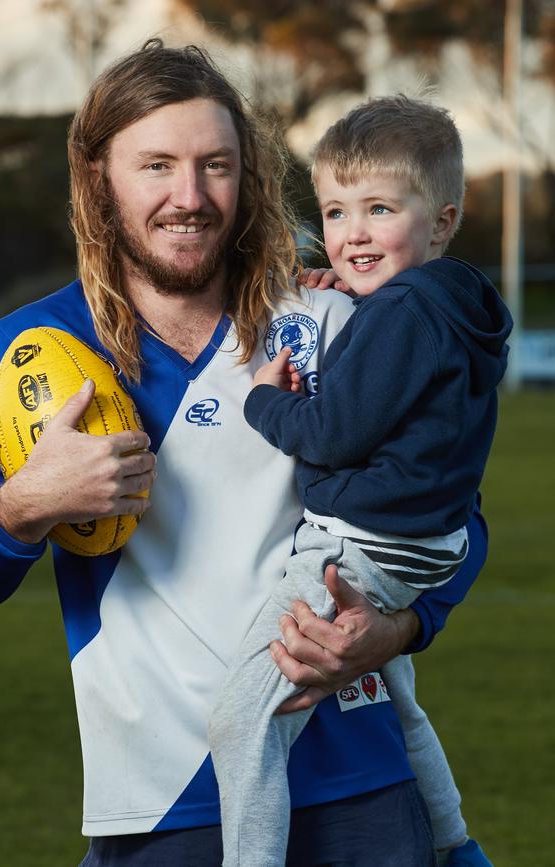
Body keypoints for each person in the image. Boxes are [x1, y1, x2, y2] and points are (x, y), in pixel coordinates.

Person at [0, 44, 488, 867]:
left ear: (245, 174)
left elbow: (454, 512)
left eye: (214, 165)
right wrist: (27, 503)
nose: (189, 198)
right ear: (98, 178)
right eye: (156, 165)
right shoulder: (33, 352)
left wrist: (400, 626)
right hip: (163, 801)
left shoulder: (329, 313)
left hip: (359, 790)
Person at [209, 95, 510, 867]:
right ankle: (456, 846)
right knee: (398, 700)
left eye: (380, 209)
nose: (353, 234)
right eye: (337, 212)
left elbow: (331, 433)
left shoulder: (404, 313)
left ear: (441, 221)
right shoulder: (454, 301)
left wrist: (265, 401)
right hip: (423, 544)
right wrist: (358, 295)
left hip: (361, 546)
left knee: (242, 722)